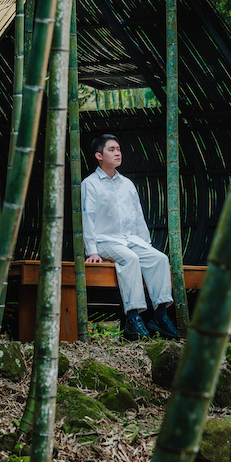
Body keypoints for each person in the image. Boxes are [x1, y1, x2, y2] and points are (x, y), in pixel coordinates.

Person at [81, 133, 180, 341]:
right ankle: (133, 319)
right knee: (130, 259)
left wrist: (147, 246)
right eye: (111, 150)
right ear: (99, 156)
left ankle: (160, 316)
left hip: (130, 240)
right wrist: (92, 251)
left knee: (159, 259)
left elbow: (137, 217)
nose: (117, 153)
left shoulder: (127, 184)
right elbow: (87, 218)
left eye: (118, 149)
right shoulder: (89, 184)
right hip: (104, 241)